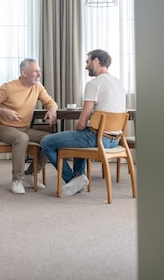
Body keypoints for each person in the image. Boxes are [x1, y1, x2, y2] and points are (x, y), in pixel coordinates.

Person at [41, 49, 126, 197]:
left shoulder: (94, 84)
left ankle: (74, 178)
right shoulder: (118, 83)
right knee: (80, 136)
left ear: (96, 61)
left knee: (47, 142)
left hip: (98, 138)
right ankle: (79, 174)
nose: (86, 66)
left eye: (87, 62)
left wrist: (80, 127)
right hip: (115, 140)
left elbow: (81, 123)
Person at [0, 58, 58, 194]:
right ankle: (17, 179)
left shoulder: (38, 87)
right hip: (5, 128)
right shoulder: (8, 87)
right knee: (22, 138)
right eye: (35, 71)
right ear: (24, 73)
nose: (39, 74)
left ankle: (31, 174)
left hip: (25, 129)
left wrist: (52, 109)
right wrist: (4, 111)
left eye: (39, 71)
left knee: (51, 139)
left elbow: (50, 102)